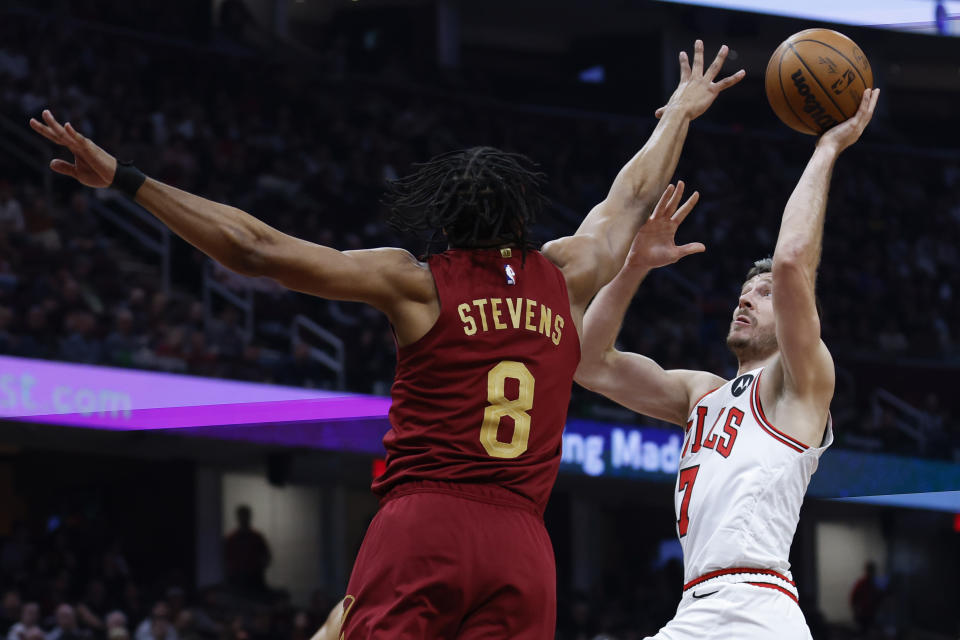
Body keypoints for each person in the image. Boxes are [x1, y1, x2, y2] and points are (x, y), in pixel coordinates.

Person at [29, 40, 742, 638]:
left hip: (424, 523)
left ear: (442, 215)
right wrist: (680, 109)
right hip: (524, 544)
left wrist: (126, 179)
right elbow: (632, 194)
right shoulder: (568, 272)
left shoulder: (417, 282)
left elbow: (253, 248)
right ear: (521, 212)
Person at [575, 89, 879, 639]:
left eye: (761, 293)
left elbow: (790, 263)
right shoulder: (701, 394)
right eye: (743, 291)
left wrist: (827, 149)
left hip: (756, 606)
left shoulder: (799, 384)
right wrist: (634, 264)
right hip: (695, 609)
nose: (745, 299)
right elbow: (588, 362)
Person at [223, 505, 272, 593]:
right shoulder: (231, 539)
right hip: (237, 578)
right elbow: (224, 559)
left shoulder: (256, 537)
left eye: (245, 516)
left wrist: (259, 568)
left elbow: (267, 556)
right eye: (242, 516)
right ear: (238, 518)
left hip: (253, 578)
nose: (244, 519)